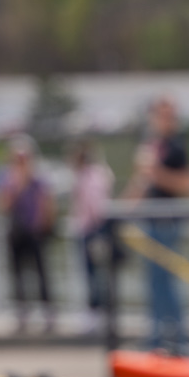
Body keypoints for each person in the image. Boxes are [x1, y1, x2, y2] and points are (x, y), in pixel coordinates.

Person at [122, 97, 189, 354]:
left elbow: (186, 184)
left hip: (169, 222)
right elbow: (141, 183)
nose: (164, 120)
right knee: (153, 282)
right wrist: (123, 210)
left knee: (168, 282)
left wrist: (155, 172)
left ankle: (180, 340)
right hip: (150, 221)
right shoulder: (153, 145)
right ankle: (156, 338)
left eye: (168, 115)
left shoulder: (178, 146)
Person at [0, 135, 55, 334]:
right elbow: (3, 205)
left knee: (41, 273)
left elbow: (47, 203)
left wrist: (43, 226)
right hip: (16, 232)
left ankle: (48, 312)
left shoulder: (39, 179)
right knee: (18, 274)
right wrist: (18, 183)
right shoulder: (8, 180)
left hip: (35, 232)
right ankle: (22, 312)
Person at [68, 138, 115, 322]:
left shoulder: (89, 177)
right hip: (93, 228)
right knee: (98, 273)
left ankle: (96, 311)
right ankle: (100, 310)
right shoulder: (98, 174)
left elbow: (95, 206)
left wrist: (96, 229)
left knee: (93, 273)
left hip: (92, 230)